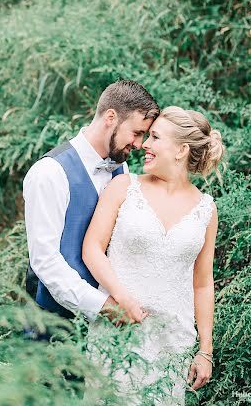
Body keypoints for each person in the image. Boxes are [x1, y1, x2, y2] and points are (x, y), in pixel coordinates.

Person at [82, 106, 225, 405]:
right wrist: (122, 299)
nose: (144, 144)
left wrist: (205, 350)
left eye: (155, 137)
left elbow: (202, 283)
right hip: (118, 329)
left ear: (181, 150)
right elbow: (92, 249)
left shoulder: (206, 209)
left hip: (172, 343)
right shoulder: (123, 186)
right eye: (146, 136)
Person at [23, 79, 159, 323]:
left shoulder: (122, 169)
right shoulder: (49, 173)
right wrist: (102, 305)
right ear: (110, 117)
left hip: (107, 332)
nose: (139, 144)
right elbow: (45, 260)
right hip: (52, 323)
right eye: (137, 133)